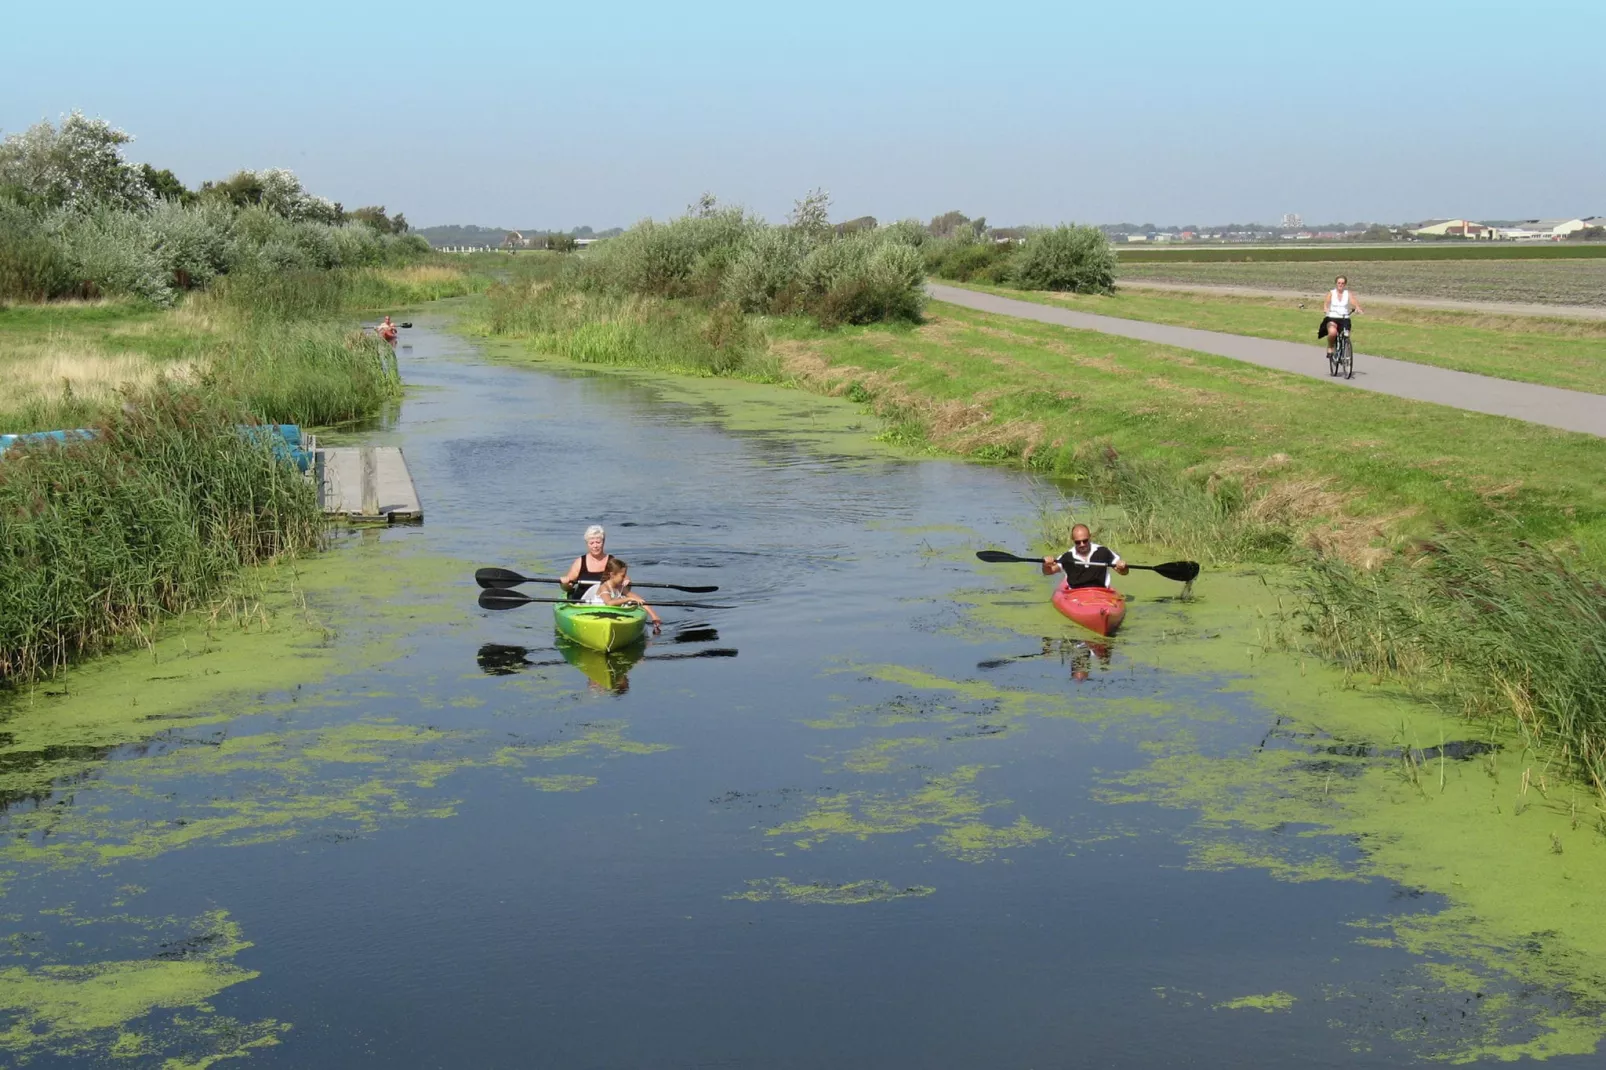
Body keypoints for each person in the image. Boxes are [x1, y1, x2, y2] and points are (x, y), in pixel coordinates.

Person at [580, 558, 662, 633]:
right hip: (597, 616)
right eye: (622, 576)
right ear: (612, 575)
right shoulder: (604, 587)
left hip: (613, 616)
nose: (625, 579)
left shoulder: (620, 587)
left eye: (625, 575)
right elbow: (609, 603)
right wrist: (628, 599)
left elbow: (639, 599)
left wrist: (654, 616)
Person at [1042, 524, 1129, 589]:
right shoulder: (1067, 557)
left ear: (1089, 537)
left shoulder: (1103, 552)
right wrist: (1046, 565)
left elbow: (1124, 572)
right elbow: (1048, 572)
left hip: (1102, 593)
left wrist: (1123, 567)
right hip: (1075, 595)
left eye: (1085, 541)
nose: (1082, 544)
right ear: (1073, 540)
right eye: (1078, 542)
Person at [561, 524, 626, 601]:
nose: (595, 546)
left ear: (603, 542)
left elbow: (622, 577)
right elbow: (567, 587)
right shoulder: (580, 562)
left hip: (605, 602)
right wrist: (565, 584)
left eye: (598, 542)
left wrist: (626, 581)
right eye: (591, 543)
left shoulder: (611, 561)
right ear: (587, 544)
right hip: (581, 603)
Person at [1316, 276, 1363, 360]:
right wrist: (1325, 308)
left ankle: (1344, 350)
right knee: (1333, 332)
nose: (1340, 285)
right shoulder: (1332, 293)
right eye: (1339, 283)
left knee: (1346, 334)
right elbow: (1326, 302)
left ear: (1345, 284)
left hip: (1344, 317)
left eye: (1342, 283)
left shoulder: (1347, 293)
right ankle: (1330, 347)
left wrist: (1357, 307)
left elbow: (1353, 301)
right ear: (1336, 283)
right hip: (1332, 317)